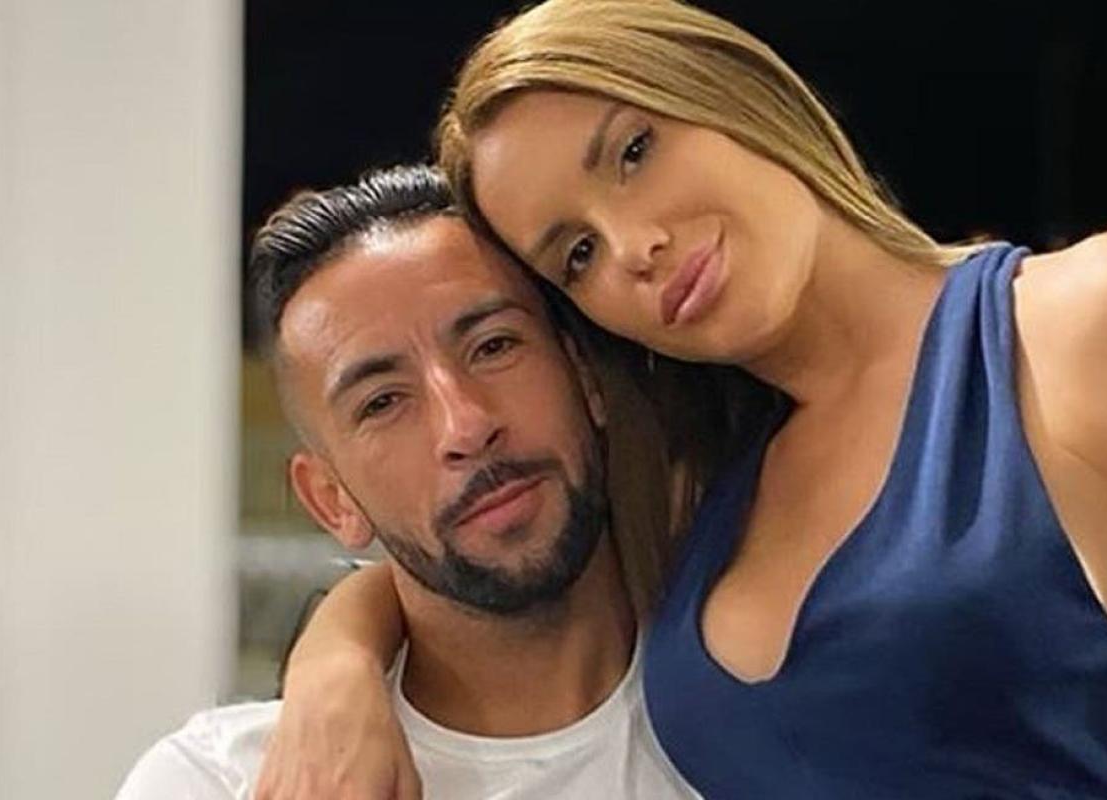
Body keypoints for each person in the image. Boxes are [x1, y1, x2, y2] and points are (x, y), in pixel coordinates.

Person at [261, 1, 1107, 796]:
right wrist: (335, 667)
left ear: (731, 90)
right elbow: (470, 555)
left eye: (634, 151)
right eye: (577, 254)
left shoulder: (1097, 326)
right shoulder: (700, 474)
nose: (634, 245)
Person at [116, 164, 699, 799]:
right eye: (383, 402)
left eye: (493, 347)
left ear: (585, 376)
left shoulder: (756, 712)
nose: (465, 425)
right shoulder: (217, 783)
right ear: (331, 500)